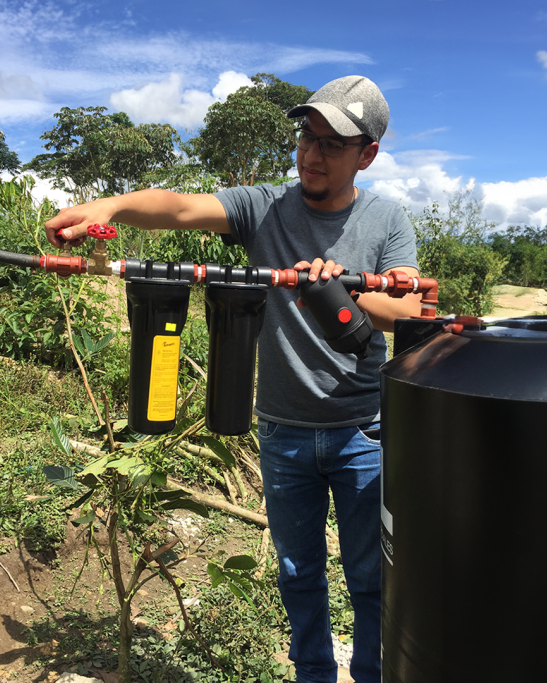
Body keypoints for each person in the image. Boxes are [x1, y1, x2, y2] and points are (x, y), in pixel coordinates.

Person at [45, 75, 421, 683]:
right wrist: (109, 207)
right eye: (308, 136)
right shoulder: (263, 208)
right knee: (298, 574)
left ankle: (373, 675)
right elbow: (181, 206)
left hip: (363, 434)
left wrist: (338, 288)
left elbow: (410, 310)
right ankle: (314, 675)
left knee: (371, 578)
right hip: (282, 434)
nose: (312, 154)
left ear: (367, 155)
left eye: (332, 144)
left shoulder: (386, 220)